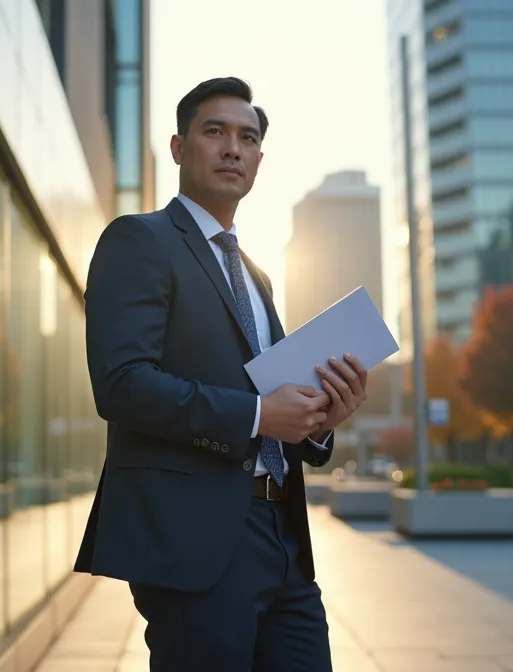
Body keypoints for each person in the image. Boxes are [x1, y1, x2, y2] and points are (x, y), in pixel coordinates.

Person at [73, 76, 369, 671]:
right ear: (180, 147)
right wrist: (260, 415)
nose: (233, 147)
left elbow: (276, 398)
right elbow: (122, 382)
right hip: (194, 542)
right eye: (215, 132)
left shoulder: (256, 274)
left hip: (283, 538)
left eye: (248, 136)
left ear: (260, 159)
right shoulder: (140, 240)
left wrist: (318, 419)